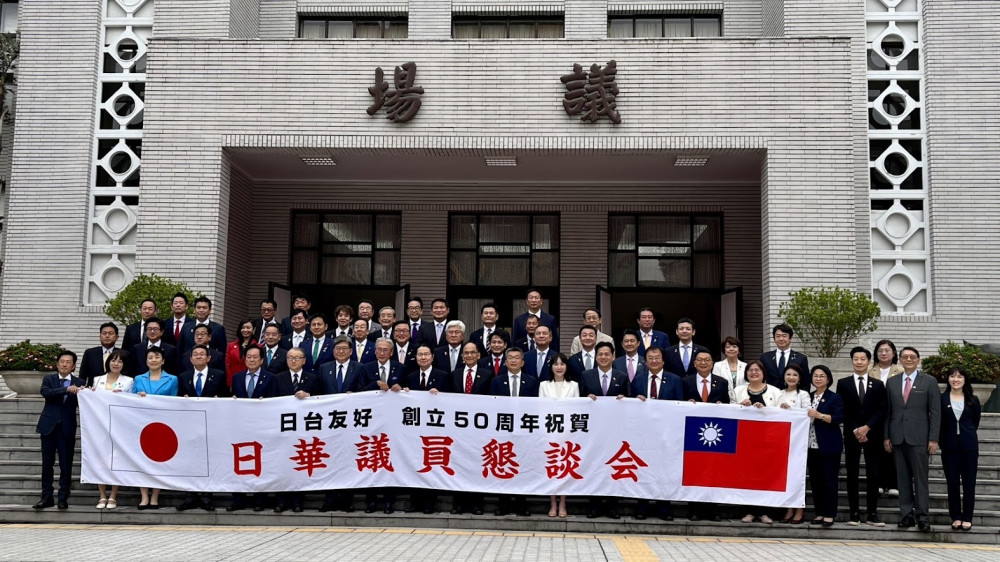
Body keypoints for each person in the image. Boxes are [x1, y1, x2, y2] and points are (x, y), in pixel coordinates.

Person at [883, 346, 940, 532]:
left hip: (920, 438)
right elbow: (888, 412)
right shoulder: (892, 383)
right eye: (905, 356)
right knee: (903, 480)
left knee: (921, 480)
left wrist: (933, 438)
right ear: (899, 359)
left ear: (918, 360)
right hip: (898, 437)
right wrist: (887, 436)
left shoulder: (929, 382)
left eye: (912, 357)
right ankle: (906, 516)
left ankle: (923, 517)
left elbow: (935, 412)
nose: (908, 359)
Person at [835, 346, 887, 527]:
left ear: (869, 362)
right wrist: (857, 429)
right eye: (855, 359)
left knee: (873, 473)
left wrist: (867, 427)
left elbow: (882, 409)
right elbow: (844, 409)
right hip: (852, 435)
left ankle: (872, 513)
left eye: (862, 359)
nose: (859, 362)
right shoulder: (843, 383)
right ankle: (854, 513)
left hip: (873, 434)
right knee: (852, 473)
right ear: (852, 361)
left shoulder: (878, 384)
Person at [630, 346, 682, 521]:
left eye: (657, 357)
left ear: (663, 360)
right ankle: (641, 506)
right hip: (643, 435)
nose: (654, 361)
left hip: (666, 434)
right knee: (643, 470)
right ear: (645, 361)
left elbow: (680, 406)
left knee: (665, 471)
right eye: (650, 358)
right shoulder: (638, 379)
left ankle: (664, 507)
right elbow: (630, 405)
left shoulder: (675, 380)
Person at [578, 342, 628, 519]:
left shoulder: (621, 377)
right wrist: (586, 399)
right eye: (600, 354)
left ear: (613, 357)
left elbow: (628, 403)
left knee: (613, 468)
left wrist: (625, 399)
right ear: (596, 356)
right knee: (594, 467)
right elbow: (579, 401)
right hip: (593, 432)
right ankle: (594, 505)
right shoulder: (586, 375)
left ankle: (612, 506)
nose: (604, 357)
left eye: (607, 354)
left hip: (615, 432)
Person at [732, 359, 782, 525]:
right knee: (746, 476)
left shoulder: (775, 392)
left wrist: (765, 408)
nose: (753, 373)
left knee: (765, 476)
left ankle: (764, 512)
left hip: (767, 442)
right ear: (746, 374)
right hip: (744, 441)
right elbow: (730, 411)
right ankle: (749, 511)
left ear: (763, 373)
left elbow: (781, 413)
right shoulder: (738, 391)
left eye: (757, 370)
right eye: (750, 370)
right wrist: (741, 406)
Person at [490, 347, 539, 517]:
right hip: (504, 430)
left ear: (522, 362)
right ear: (505, 362)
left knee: (522, 467)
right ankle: (503, 504)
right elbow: (492, 406)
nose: (513, 360)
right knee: (503, 465)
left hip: (524, 431)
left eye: (517, 358)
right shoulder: (497, 381)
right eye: (510, 358)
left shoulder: (532, 381)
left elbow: (535, 407)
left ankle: (521, 503)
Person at [34, 350, 85, 510]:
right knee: (47, 464)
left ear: (73, 366)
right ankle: (46, 496)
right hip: (48, 427)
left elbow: (84, 403)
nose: (64, 364)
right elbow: (46, 393)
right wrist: (66, 389)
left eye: (68, 362)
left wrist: (86, 392)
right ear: (57, 364)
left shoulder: (79, 381)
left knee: (66, 464)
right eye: (62, 361)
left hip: (67, 428)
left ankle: (63, 498)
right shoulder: (49, 379)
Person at [270, 347, 318, 513]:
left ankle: (298, 501)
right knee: (282, 465)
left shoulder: (313, 378)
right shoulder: (277, 378)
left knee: (300, 465)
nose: (294, 361)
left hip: (303, 430)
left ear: (304, 360)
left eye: (298, 358)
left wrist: (309, 396)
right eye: (290, 358)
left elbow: (322, 400)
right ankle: (281, 500)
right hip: (283, 430)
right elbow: (272, 402)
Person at [447, 342, 493, 515]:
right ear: (462, 356)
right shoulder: (454, 375)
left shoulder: (487, 375)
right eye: (466, 353)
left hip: (479, 429)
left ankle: (476, 504)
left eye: (472, 352)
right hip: (458, 429)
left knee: (477, 466)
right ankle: (458, 503)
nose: (469, 356)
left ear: (479, 355)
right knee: (458, 466)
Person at [403, 344, 450, 514]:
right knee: (415, 464)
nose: (423, 357)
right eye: (420, 355)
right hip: (414, 431)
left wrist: (441, 394)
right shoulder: (410, 377)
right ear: (415, 358)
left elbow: (451, 399)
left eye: (426, 354)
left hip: (434, 430)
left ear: (432, 357)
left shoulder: (443, 376)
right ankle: (414, 501)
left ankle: (430, 503)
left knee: (432, 465)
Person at [228, 345, 275, 512]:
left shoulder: (270, 378)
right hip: (240, 427)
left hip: (262, 427)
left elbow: (275, 401)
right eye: (249, 357)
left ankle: (259, 500)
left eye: (255, 357)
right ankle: (238, 499)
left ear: (262, 360)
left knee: (261, 464)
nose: (252, 360)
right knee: (238, 462)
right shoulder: (237, 377)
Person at [131, 346, 179, 510]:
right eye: (150, 357)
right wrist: (138, 397)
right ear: (146, 361)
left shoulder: (172, 379)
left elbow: (174, 402)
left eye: (157, 357)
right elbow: (130, 401)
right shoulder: (138, 379)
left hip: (163, 424)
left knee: (159, 459)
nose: (153, 360)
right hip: (142, 424)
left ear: (163, 360)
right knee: (142, 459)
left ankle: (155, 496)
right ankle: (144, 496)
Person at [90, 349, 133, 510]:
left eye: (120, 361)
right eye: (113, 360)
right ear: (108, 362)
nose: (116, 364)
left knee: (116, 460)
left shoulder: (129, 381)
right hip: (99, 426)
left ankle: (113, 495)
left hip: (118, 426)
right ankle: (102, 495)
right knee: (99, 460)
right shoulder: (97, 380)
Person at [538, 352, 579, 518]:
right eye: (556, 364)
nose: (559, 367)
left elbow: (577, 409)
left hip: (568, 433)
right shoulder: (543, 385)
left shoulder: (574, 385)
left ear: (566, 367)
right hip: (549, 432)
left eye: (562, 364)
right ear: (551, 367)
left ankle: (563, 502)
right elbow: (541, 409)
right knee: (552, 468)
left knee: (565, 467)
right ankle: (553, 502)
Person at [939, 367, 980, 531]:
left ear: (965, 380)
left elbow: (975, 421)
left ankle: (967, 517)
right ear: (948, 379)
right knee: (953, 482)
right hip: (949, 446)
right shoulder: (941, 398)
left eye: (959, 376)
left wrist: (965, 434)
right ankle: (955, 516)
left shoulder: (973, 399)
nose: (956, 379)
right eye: (952, 376)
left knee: (969, 483)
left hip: (969, 446)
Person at [807, 365, 844, 527]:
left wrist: (820, 415)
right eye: (815, 376)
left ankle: (830, 514)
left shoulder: (834, 397)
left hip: (829, 445)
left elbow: (839, 418)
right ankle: (820, 513)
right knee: (815, 481)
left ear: (828, 379)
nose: (818, 378)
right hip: (810, 446)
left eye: (822, 376)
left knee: (829, 480)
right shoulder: (807, 396)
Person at [778, 363, 810, 524]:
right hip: (781, 441)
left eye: (795, 375)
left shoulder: (803, 395)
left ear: (799, 379)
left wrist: (790, 409)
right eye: (788, 374)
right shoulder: (778, 393)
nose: (791, 377)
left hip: (797, 441)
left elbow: (808, 414)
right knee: (786, 477)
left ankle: (799, 509)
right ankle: (789, 508)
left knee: (797, 476)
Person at [870, 339, 902, 497]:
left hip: (895, 416)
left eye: (887, 350)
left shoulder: (901, 371)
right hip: (875, 416)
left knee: (892, 450)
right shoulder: (870, 371)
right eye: (880, 350)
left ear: (894, 353)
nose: (883, 353)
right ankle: (879, 483)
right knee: (877, 451)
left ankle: (893, 483)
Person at [760, 323, 809, 388]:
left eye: (784, 336)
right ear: (774, 338)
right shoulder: (765, 357)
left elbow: (806, 382)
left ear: (790, 338)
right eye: (778, 336)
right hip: (771, 395)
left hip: (793, 395)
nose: (781, 339)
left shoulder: (801, 358)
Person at [80, 322, 121, 387]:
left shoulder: (123, 354)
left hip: (116, 390)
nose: (107, 336)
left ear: (117, 337)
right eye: (104, 333)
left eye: (110, 333)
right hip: (93, 391)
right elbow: (82, 376)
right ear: (100, 336)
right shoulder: (90, 353)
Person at [226, 319, 256, 385]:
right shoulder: (231, 346)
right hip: (233, 382)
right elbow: (227, 365)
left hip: (251, 382)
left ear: (253, 329)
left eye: (248, 328)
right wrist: (230, 382)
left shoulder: (258, 347)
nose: (245, 330)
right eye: (243, 328)